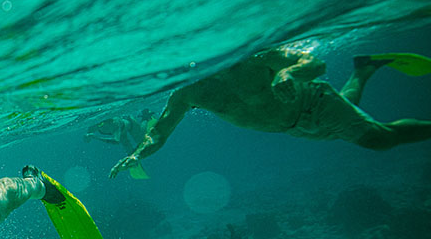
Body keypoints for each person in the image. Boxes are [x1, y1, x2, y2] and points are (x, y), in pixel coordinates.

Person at [108, 48, 431, 178]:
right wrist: (138, 154)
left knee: (376, 138)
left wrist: (288, 75)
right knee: (352, 124)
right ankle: (364, 69)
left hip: (313, 102)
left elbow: (315, 64)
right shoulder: (186, 94)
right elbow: (160, 132)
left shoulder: (255, 57)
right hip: (293, 127)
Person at [85, 109, 155, 179]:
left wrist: (97, 138)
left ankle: (145, 117)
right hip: (121, 132)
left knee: (140, 139)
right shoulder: (97, 124)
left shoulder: (115, 124)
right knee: (130, 152)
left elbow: (116, 141)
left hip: (130, 124)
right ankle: (132, 159)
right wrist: (87, 136)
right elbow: (89, 133)